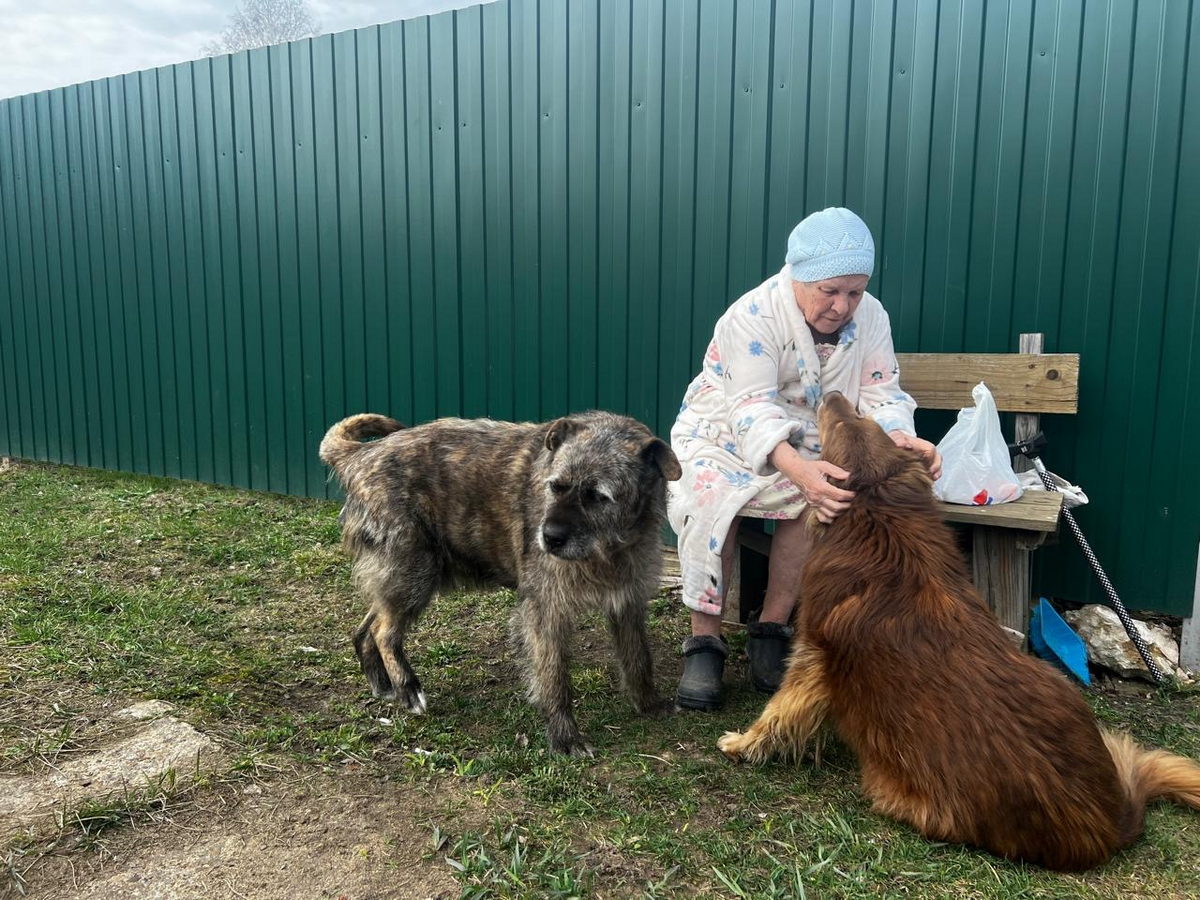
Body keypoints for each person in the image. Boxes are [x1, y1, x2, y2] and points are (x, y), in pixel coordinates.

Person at [668, 207, 942, 710]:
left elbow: (880, 392)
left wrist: (901, 437)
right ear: (799, 275)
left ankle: (772, 629)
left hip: (808, 433)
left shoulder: (872, 317)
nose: (842, 306)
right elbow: (749, 407)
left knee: (820, 500)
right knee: (712, 502)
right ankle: (704, 640)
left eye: (855, 292)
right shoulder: (751, 315)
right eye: (830, 290)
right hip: (724, 431)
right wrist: (797, 471)